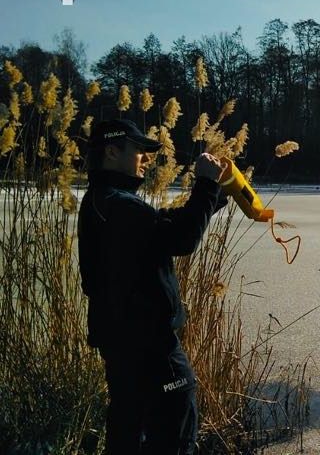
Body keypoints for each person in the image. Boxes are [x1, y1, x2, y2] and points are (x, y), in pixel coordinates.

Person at [78, 118, 224, 454]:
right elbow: (180, 238)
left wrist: (210, 198)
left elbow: (157, 230)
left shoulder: (101, 202)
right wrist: (204, 185)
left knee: (127, 425)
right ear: (112, 152)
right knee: (175, 426)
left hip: (121, 345)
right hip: (152, 347)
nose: (146, 157)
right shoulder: (120, 205)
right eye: (139, 150)